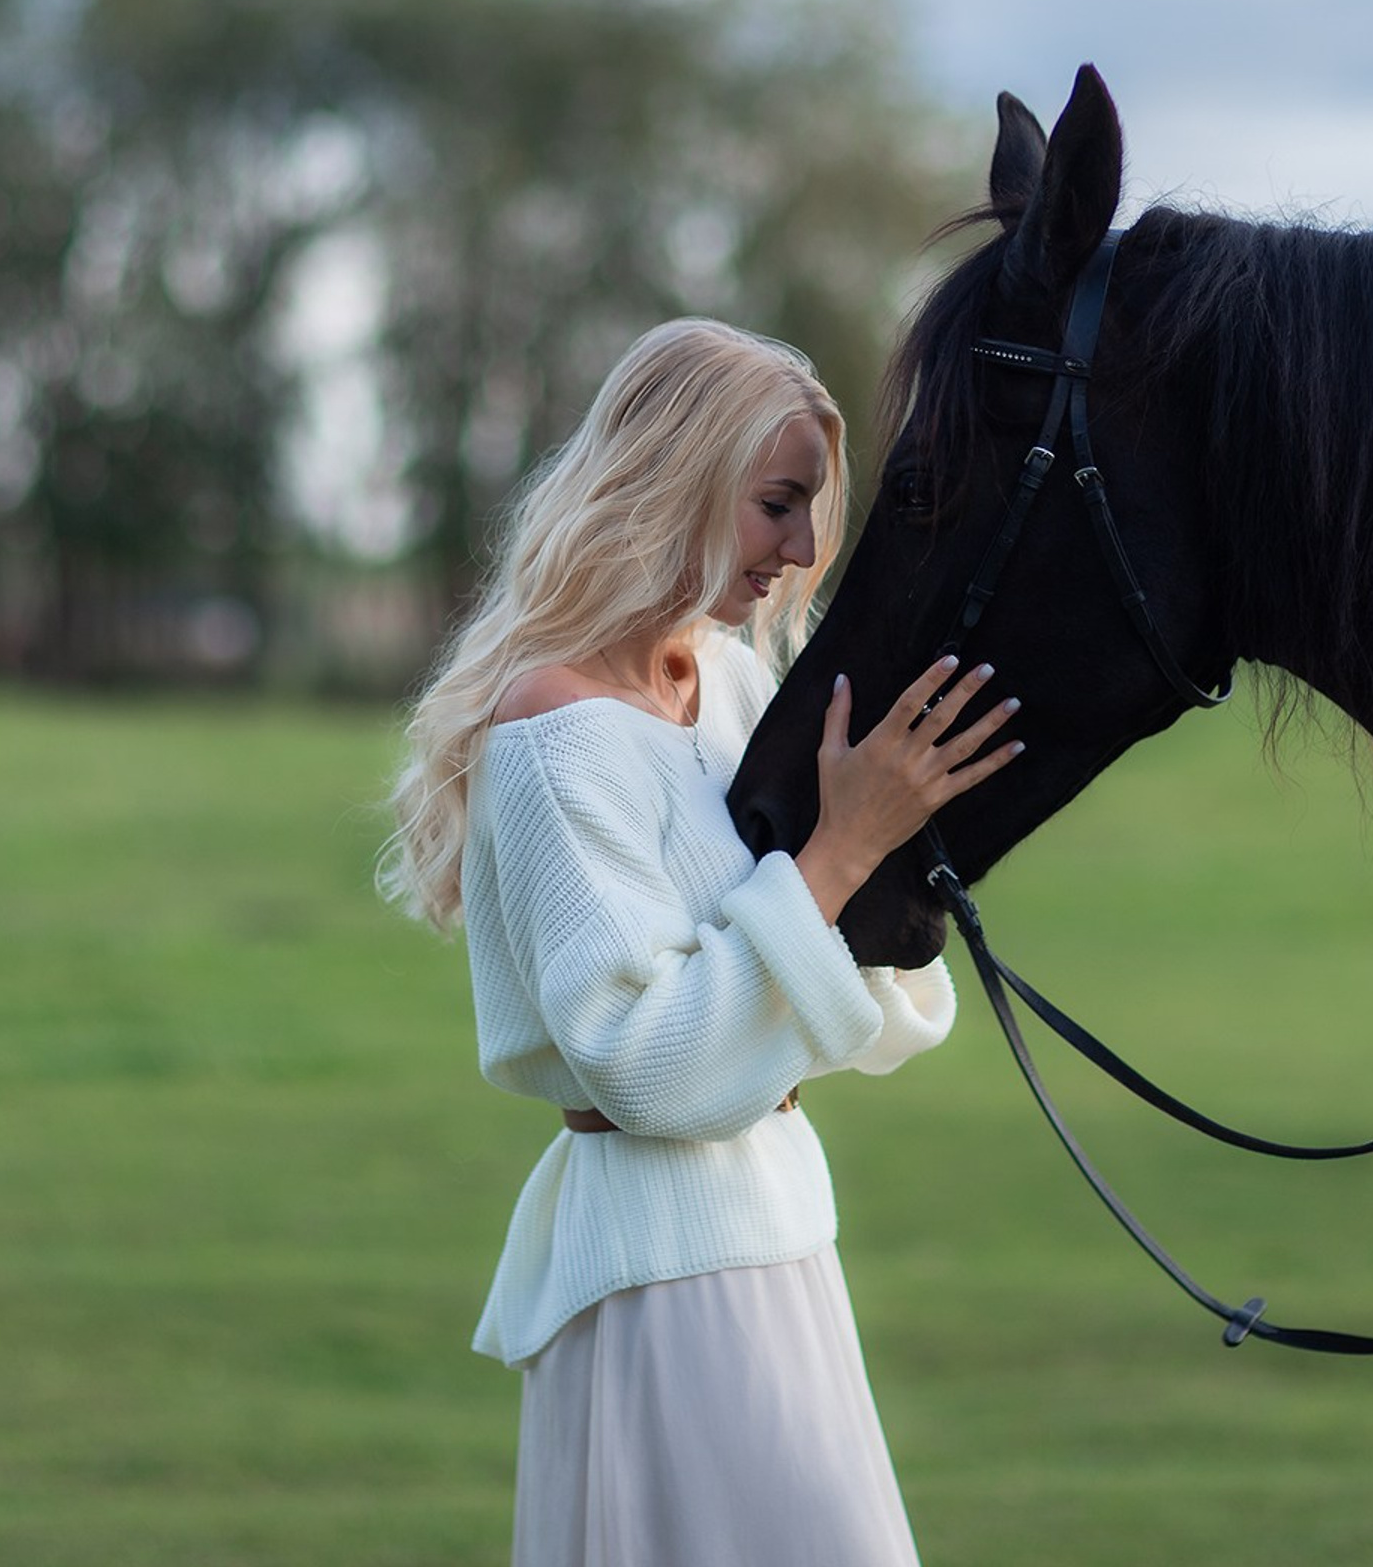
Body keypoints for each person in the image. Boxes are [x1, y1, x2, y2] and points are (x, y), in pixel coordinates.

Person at [380, 318, 1023, 1566]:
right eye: (776, 502)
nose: (801, 548)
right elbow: (652, 1067)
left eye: (810, 510)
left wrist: (901, 842)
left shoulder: (723, 684)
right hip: (661, 1274)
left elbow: (875, 1018)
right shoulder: (553, 738)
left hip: (779, 1226)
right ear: (676, 477)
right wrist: (835, 852)